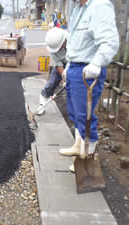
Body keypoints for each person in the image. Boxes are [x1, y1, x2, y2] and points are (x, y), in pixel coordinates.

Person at [59, 0, 119, 172]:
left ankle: (88, 157)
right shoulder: (78, 8)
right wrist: (69, 64)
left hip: (87, 69)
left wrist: (97, 63)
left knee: (85, 116)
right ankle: (79, 146)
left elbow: (109, 41)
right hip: (75, 66)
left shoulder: (100, 6)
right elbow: (75, 41)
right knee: (74, 112)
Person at [37, 27, 68, 115]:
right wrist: (64, 78)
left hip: (74, 63)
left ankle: (74, 113)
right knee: (52, 82)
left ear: (64, 41)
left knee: (73, 88)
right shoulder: (52, 46)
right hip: (61, 63)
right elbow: (58, 64)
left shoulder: (72, 41)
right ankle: (42, 103)